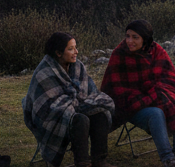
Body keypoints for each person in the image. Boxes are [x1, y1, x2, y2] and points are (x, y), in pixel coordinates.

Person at [102, 20, 175, 167]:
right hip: (130, 105)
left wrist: (153, 92)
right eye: (128, 36)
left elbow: (169, 80)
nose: (130, 41)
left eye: (135, 37)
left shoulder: (157, 51)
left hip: (155, 96)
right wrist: (144, 96)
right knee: (156, 113)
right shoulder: (119, 54)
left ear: (145, 39)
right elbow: (114, 89)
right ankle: (169, 160)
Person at [23, 31, 115, 167]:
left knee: (100, 114)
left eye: (75, 47)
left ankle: (99, 161)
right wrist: (74, 106)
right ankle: (82, 163)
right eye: (71, 49)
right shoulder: (44, 72)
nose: (76, 52)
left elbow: (89, 92)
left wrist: (79, 104)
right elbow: (49, 107)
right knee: (80, 120)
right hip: (52, 117)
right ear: (58, 53)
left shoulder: (78, 66)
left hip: (76, 107)